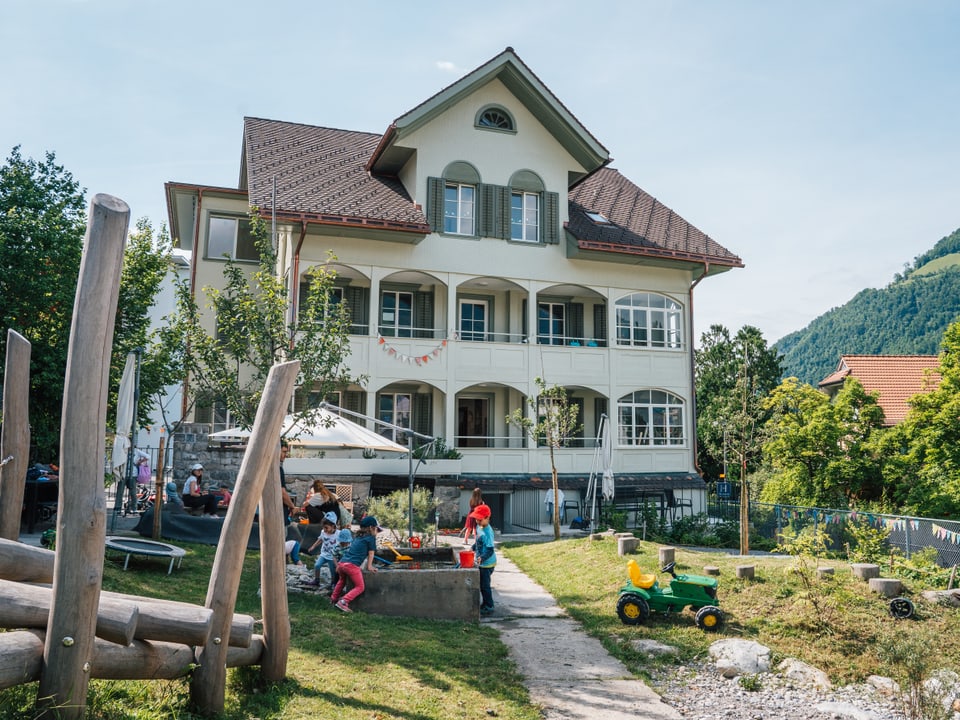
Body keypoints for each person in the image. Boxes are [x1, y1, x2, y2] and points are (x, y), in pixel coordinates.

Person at [330, 515, 381, 612]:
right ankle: (343, 601)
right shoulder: (370, 538)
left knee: (342, 581)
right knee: (360, 587)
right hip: (352, 566)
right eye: (375, 528)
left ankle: (333, 599)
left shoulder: (358, 536)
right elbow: (371, 553)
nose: (376, 531)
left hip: (342, 563)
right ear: (371, 528)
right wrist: (369, 566)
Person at [469, 503, 497, 615]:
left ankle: (489, 606)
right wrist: (473, 548)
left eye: (480, 520)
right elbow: (479, 541)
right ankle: (485, 604)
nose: (478, 522)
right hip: (481, 562)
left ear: (487, 518)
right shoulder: (479, 527)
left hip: (487, 564)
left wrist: (482, 558)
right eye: (476, 519)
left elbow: (490, 550)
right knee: (481, 585)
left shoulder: (488, 532)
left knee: (485, 586)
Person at [306, 512, 340, 590]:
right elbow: (320, 539)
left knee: (332, 570)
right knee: (317, 565)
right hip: (324, 554)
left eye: (326, 528)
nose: (324, 530)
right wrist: (313, 546)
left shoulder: (338, 534)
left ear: (333, 526)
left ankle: (333, 583)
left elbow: (343, 542)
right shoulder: (323, 532)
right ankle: (316, 580)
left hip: (332, 557)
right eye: (323, 527)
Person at [278, 442, 297, 520]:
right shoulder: (278, 469)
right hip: (279, 514)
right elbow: (282, 493)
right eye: (284, 452)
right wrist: (292, 506)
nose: (286, 455)